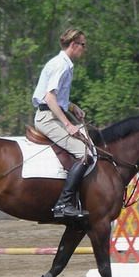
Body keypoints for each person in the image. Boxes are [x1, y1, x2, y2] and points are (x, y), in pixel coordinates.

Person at [32, 28, 91, 219]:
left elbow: (56, 98)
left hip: (52, 114)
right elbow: (49, 98)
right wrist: (68, 124)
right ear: (73, 45)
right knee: (84, 153)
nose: (84, 48)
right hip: (47, 118)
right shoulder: (61, 66)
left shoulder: (63, 63)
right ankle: (63, 204)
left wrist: (72, 107)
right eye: (83, 44)